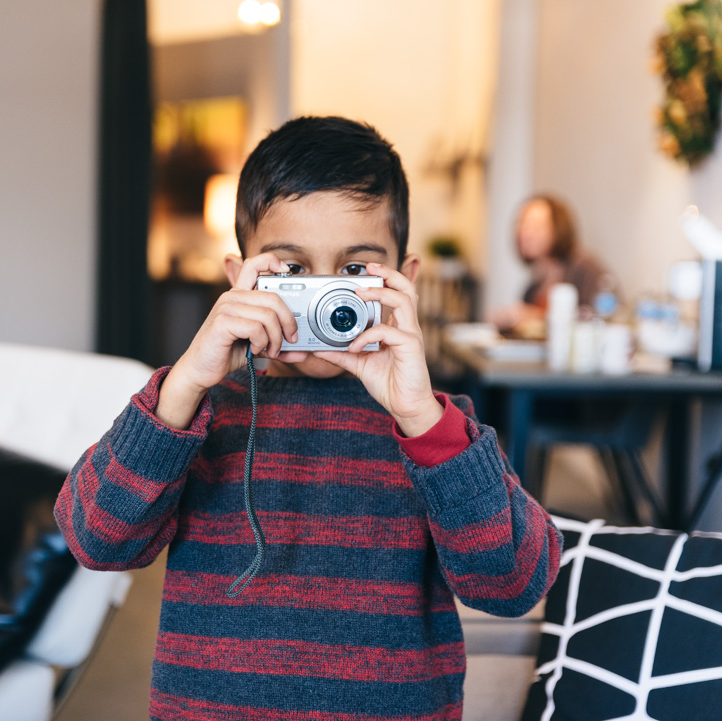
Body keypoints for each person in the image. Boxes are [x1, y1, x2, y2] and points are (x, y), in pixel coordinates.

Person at [54, 116, 562, 720]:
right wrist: (187, 380)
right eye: (290, 271)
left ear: (406, 281)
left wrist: (425, 420)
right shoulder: (199, 414)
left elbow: (514, 583)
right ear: (237, 280)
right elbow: (95, 537)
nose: (323, 300)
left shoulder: (439, 432)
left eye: (354, 272)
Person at [492, 194, 611, 333]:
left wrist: (534, 316)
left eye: (535, 226)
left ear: (558, 228)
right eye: (521, 224)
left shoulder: (585, 270)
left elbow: (601, 319)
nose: (524, 233)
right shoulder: (532, 288)